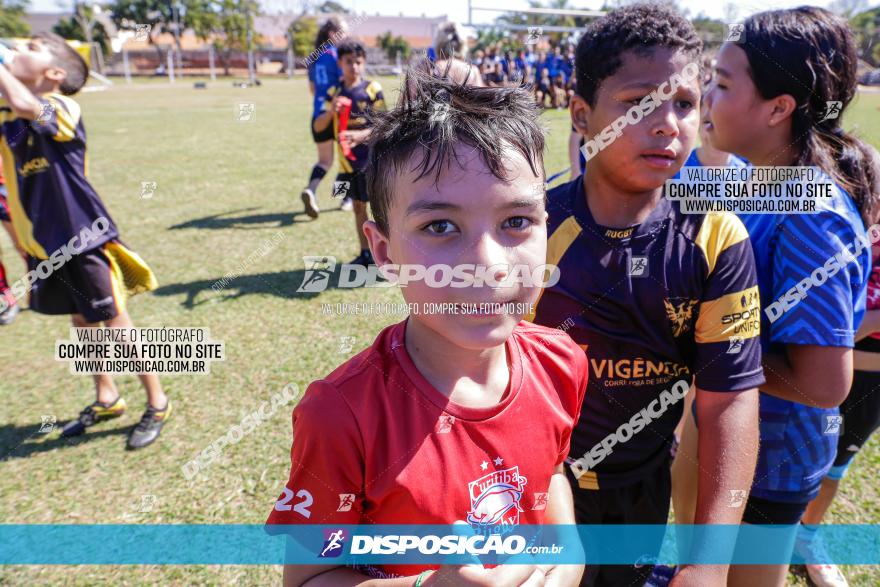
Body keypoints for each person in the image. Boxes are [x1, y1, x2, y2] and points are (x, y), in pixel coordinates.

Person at [267, 67, 588, 586]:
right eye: (439, 227)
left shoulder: (562, 363)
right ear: (383, 251)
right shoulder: (340, 414)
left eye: (516, 221)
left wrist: (569, 558)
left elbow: (550, 473)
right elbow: (308, 577)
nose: (488, 264)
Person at [529, 5, 764, 586]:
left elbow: (728, 403)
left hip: (641, 490)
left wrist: (708, 562)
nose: (668, 123)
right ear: (582, 117)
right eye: (638, 103)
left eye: (685, 102)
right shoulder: (528, 230)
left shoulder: (715, 237)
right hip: (527, 491)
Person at [699, 7, 876, 586]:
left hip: (771, 460)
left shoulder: (811, 217)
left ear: (778, 108)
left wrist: (699, 355)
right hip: (729, 438)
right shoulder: (760, 179)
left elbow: (826, 384)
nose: (707, 96)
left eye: (723, 84)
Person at [0, 33, 170, 449]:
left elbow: (26, 104)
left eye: (30, 49)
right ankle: (107, 396)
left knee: (114, 323)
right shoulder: (9, 117)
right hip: (44, 246)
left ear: (54, 73)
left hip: (82, 238)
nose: (17, 50)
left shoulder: (62, 107)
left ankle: (158, 401)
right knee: (82, 322)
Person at [311, 40, 385, 267]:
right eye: (348, 62)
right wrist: (331, 110)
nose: (354, 67)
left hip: (374, 161)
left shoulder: (372, 89)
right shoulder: (334, 92)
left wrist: (360, 136)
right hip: (349, 165)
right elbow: (318, 127)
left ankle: (389, 255)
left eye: (358, 62)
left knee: (383, 210)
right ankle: (365, 254)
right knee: (358, 207)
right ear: (340, 64)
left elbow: (385, 125)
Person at [301, 17, 345, 218]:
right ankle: (344, 198)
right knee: (348, 161)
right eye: (343, 32)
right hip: (338, 114)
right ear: (332, 33)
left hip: (318, 114)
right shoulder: (337, 56)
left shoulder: (314, 58)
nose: (346, 36)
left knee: (324, 161)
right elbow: (346, 82)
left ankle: (311, 190)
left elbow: (312, 90)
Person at [0, 153, 20, 324]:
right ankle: (7, 300)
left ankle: (49, 292)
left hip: (5, 183)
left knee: (24, 245)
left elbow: (42, 124)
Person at [433, 22, 483, 87]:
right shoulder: (472, 71)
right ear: (462, 46)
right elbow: (480, 96)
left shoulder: (430, 68)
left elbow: (416, 94)